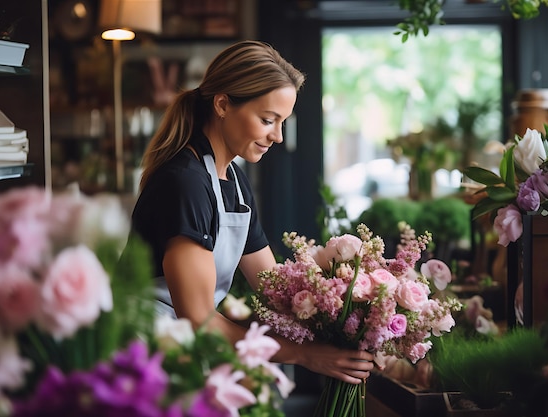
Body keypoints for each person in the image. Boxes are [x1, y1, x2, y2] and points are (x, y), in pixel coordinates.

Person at [130, 40, 374, 385]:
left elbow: (276, 290)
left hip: (183, 351)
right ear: (223, 105)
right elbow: (199, 318)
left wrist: (350, 313)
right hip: (142, 358)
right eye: (267, 119)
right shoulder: (184, 183)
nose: (276, 136)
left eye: (282, 122)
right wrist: (304, 354)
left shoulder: (235, 184)